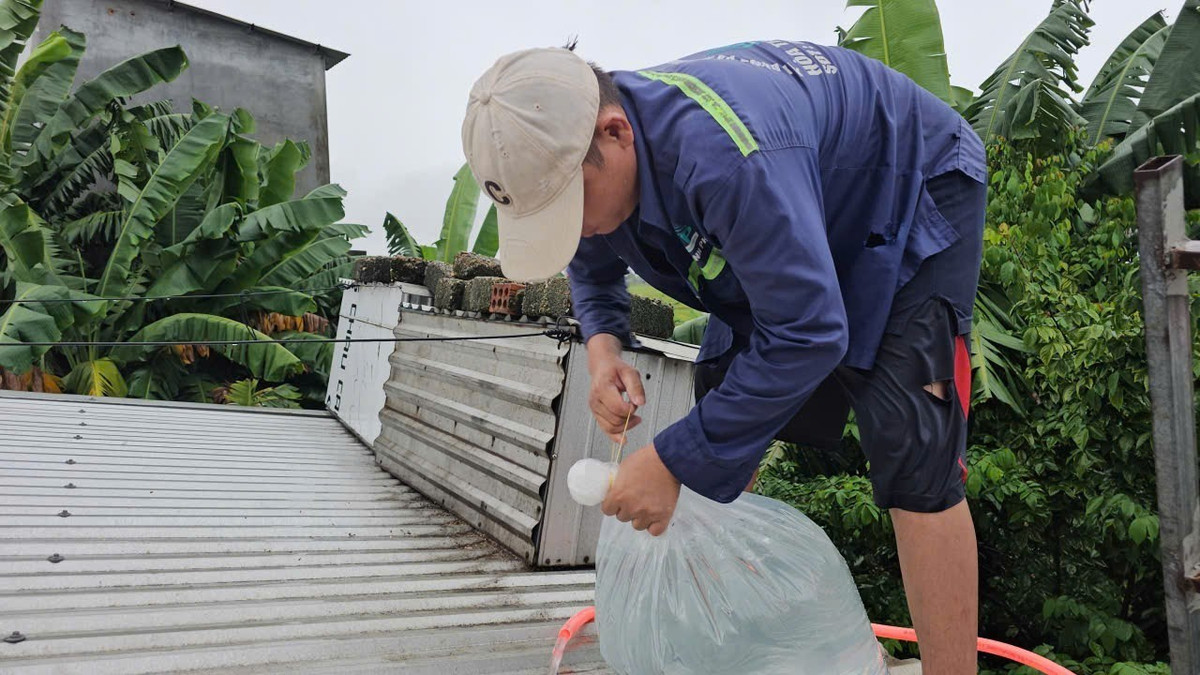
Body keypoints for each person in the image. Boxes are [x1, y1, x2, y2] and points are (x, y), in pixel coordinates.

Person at [461, 39, 986, 674]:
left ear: (616, 131)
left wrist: (672, 461)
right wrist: (604, 352)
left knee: (914, 453)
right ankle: (746, 636)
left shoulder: (723, 160)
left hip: (907, 186)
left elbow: (811, 332)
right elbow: (594, 270)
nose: (574, 230)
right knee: (723, 400)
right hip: (790, 209)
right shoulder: (586, 155)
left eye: (570, 210)